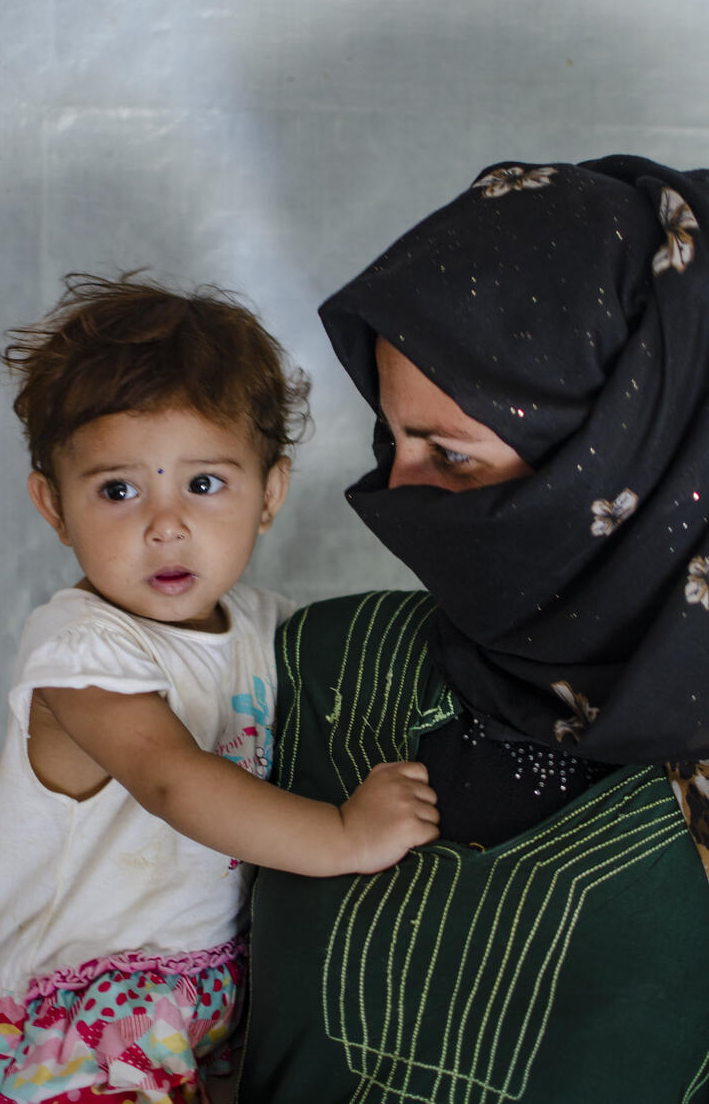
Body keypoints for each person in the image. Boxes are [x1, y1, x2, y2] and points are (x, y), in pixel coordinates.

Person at [237, 156, 709, 1103]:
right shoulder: (318, 665)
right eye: (391, 435)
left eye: (450, 454)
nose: (395, 493)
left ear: (612, 458)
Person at [0, 276, 440, 1104]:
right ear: (53, 504)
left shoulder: (267, 629)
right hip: (80, 1017)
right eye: (118, 489)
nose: (165, 523)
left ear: (271, 494)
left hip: (201, 998)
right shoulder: (81, 648)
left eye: (204, 483)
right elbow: (173, 779)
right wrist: (343, 835)